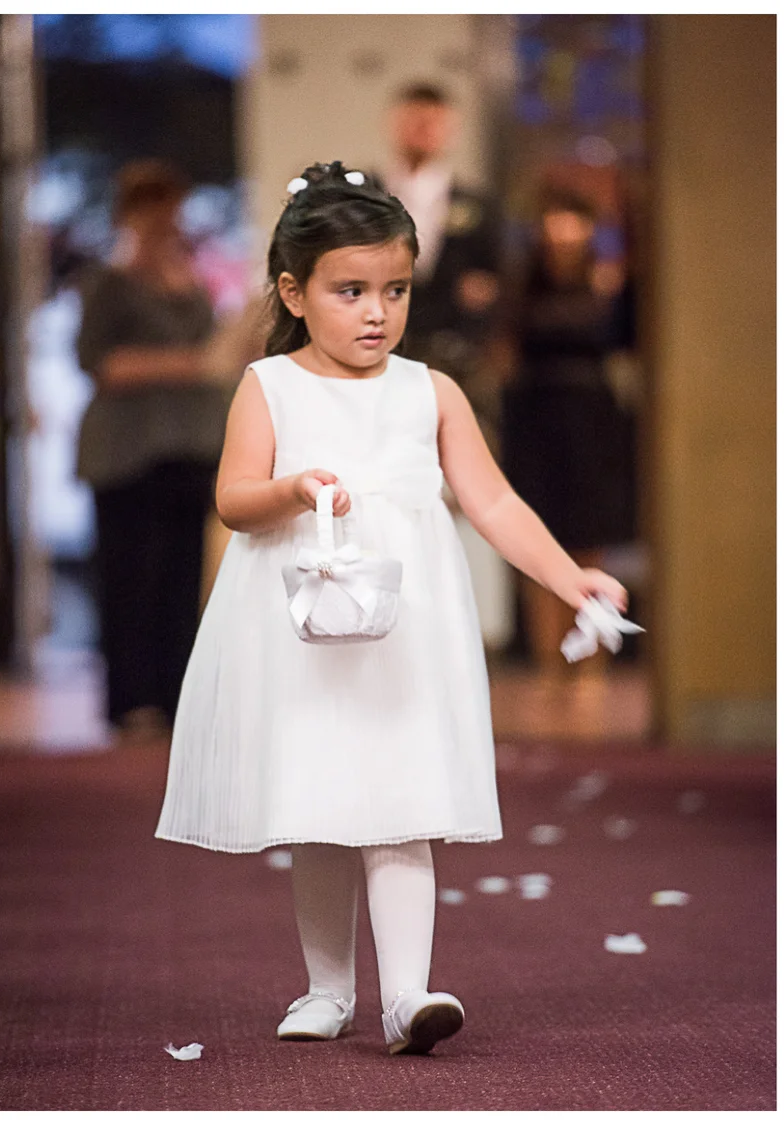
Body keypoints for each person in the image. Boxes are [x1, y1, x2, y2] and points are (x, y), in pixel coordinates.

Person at [155, 161, 628, 1056]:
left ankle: (407, 996)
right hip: (306, 625)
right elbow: (233, 497)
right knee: (321, 804)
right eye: (351, 290)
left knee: (404, 800)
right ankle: (326, 987)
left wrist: (570, 576)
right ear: (294, 292)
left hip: (406, 631)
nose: (377, 312)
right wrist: (293, 487)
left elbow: (492, 501)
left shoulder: (431, 390)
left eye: (396, 289)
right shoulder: (270, 386)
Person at [72, 159, 229, 738]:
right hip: (128, 450)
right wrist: (187, 364)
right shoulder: (108, 282)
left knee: (182, 578)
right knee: (131, 578)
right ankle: (132, 698)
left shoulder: (190, 278)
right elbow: (97, 362)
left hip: (189, 443)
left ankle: (175, 692)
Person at [503, 188, 638, 678]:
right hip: (535, 420)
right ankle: (548, 666)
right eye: (554, 220)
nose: (563, 231)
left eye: (574, 220)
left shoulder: (609, 285)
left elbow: (629, 343)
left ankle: (592, 668)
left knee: (589, 545)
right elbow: (504, 351)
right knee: (537, 546)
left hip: (592, 422)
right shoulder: (520, 285)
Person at [381, 83, 502, 402]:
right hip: (380, 347)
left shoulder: (476, 205)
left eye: (433, 122)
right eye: (414, 120)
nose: (423, 130)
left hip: (453, 352)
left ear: (451, 130)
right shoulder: (367, 196)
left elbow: (493, 276)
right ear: (393, 124)